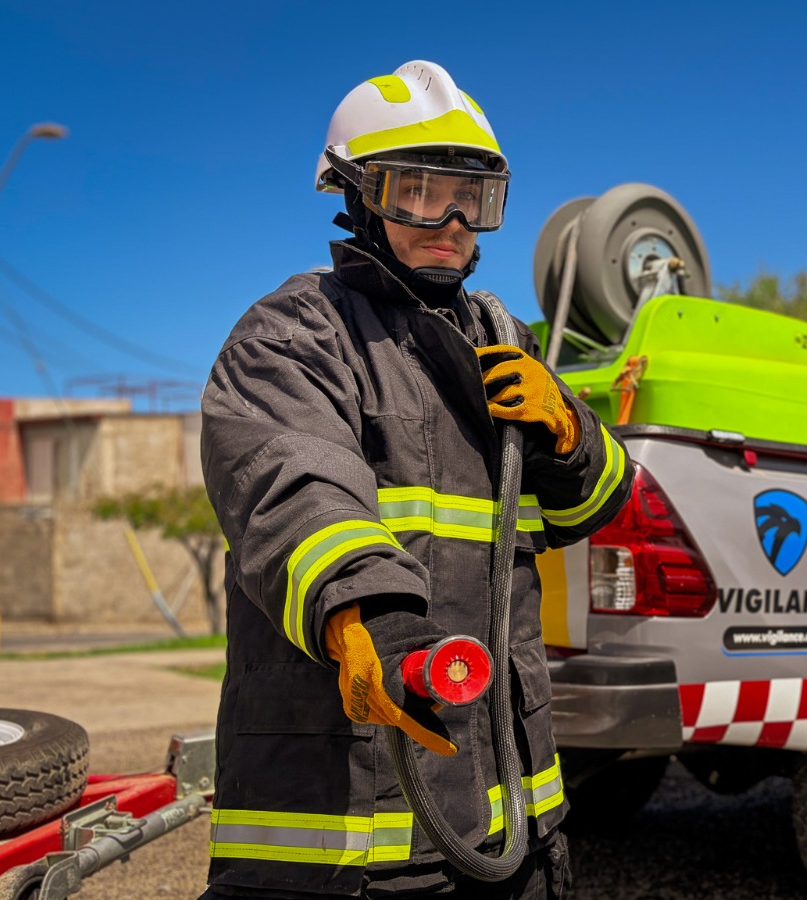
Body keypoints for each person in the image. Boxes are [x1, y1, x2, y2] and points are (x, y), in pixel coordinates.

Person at [198, 60, 632, 899]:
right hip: (347, 837)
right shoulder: (293, 335)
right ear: (361, 195)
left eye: (474, 198)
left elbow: (594, 506)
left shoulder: (504, 340)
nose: (454, 222)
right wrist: (374, 624)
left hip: (513, 822)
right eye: (421, 194)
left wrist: (572, 432)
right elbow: (293, 485)